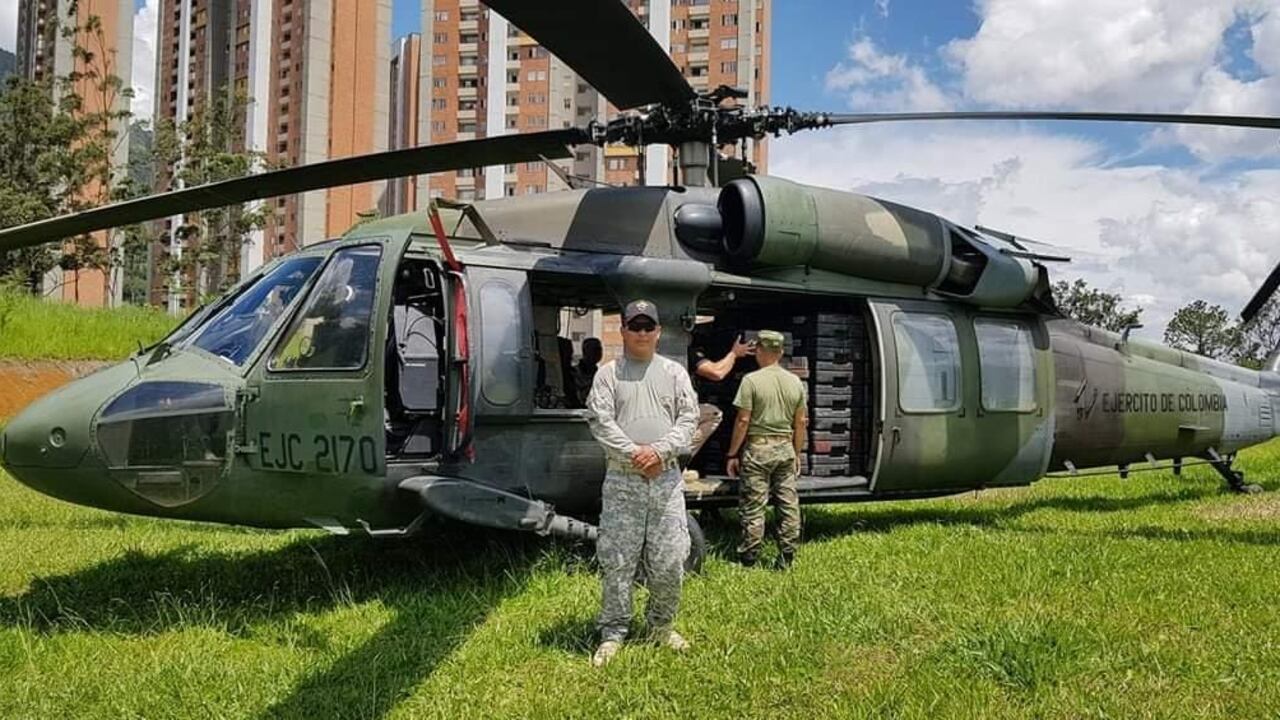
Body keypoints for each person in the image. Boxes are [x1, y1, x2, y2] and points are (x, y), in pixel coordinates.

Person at [585, 299, 699, 667]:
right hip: (623, 480)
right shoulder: (607, 374)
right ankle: (613, 632)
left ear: (658, 331)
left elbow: (689, 419)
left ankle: (661, 626)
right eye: (635, 326)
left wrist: (660, 453)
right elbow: (600, 421)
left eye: (649, 326)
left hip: (665, 481)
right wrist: (637, 454)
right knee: (618, 560)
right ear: (623, 330)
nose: (642, 332)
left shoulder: (674, 373)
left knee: (669, 559)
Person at [725, 329, 807, 570]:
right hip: (785, 448)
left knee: (754, 506)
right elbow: (801, 422)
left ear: (758, 351)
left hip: (758, 449)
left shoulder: (751, 381)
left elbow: (743, 420)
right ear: (781, 352)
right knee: (788, 504)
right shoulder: (795, 382)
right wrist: (797, 452)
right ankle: (787, 557)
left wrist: (732, 453)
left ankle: (749, 559)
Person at [685, 330, 756, 462]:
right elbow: (717, 372)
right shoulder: (687, 353)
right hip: (676, 410)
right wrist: (734, 353)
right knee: (714, 414)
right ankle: (679, 456)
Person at [571, 337, 603, 408]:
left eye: (599, 349)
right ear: (585, 351)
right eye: (595, 350)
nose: (598, 353)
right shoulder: (573, 374)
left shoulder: (600, 375)